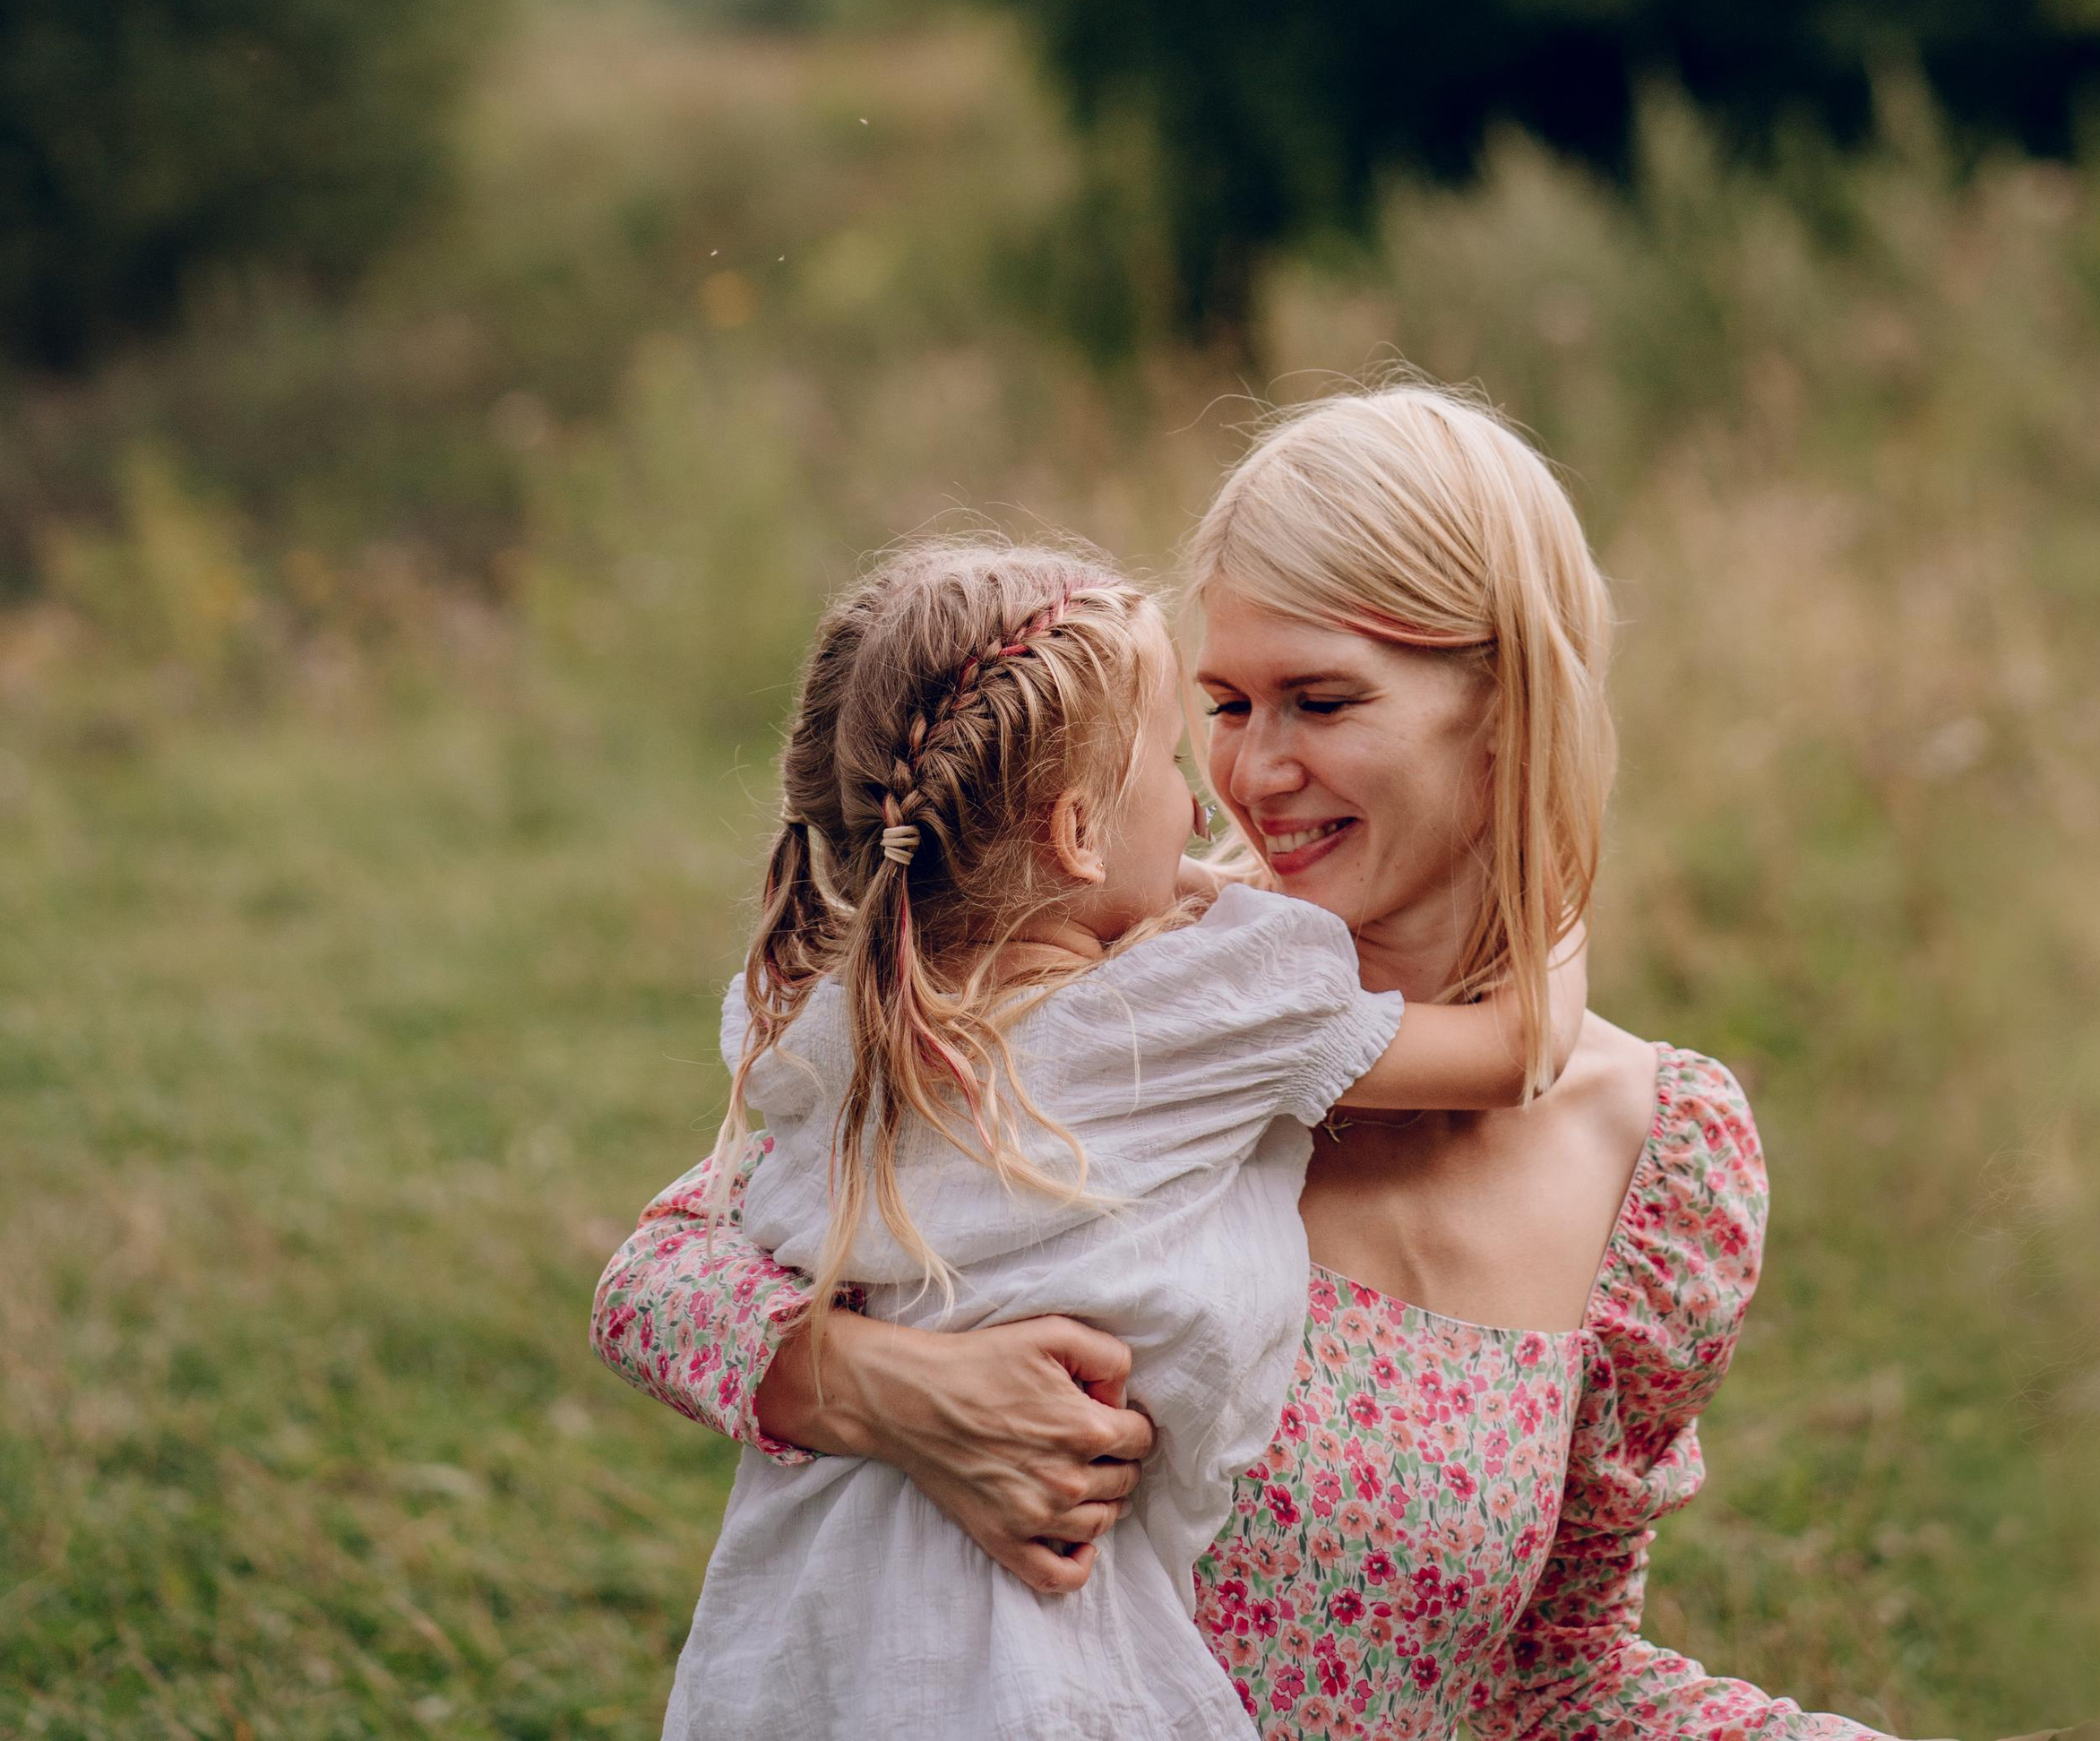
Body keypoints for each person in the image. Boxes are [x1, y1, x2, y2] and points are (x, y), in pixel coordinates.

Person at [596, 386, 1911, 1740]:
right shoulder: (1108, 984)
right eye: (1221, 704)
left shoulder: (1655, 1161)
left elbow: (1552, 1674)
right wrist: (897, 1392)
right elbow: (658, 1279)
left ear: (1510, 697)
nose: (1252, 771)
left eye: (1321, 699)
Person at [662, 534, 1579, 1741]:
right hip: (1046, 1663)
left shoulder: (835, 1022)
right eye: (1180, 747)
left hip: (794, 1643)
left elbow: (660, 1261)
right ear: (1079, 832)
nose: (1212, 800)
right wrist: (1550, 823)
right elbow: (1519, 1049)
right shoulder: (1210, 1009)